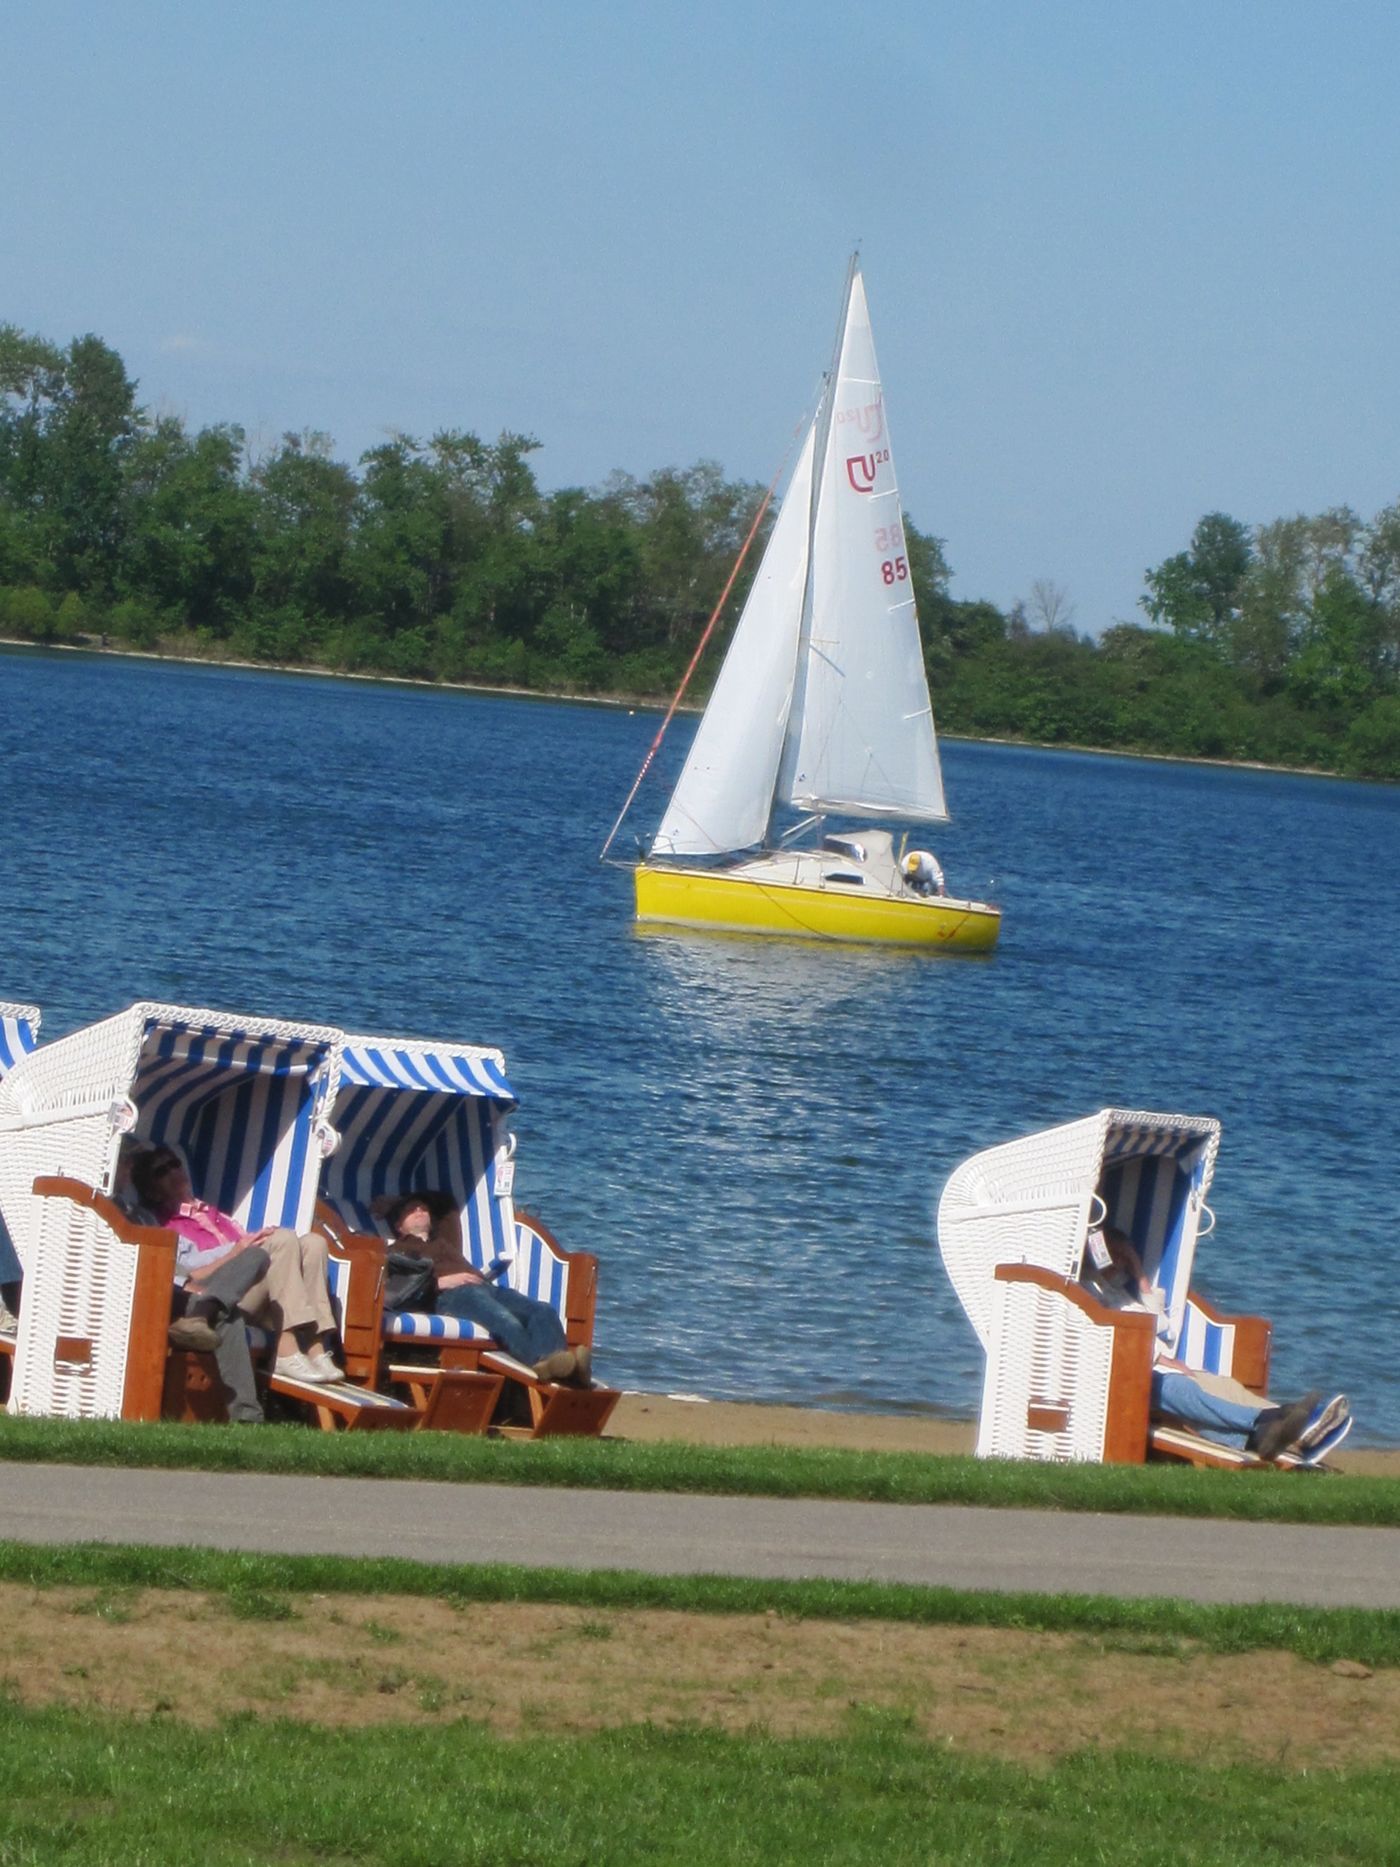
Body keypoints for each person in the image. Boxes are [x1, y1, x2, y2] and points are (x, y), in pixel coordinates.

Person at [1082, 1219, 1351, 1463]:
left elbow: (1162, 1327)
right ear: (1098, 1255)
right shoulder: (1087, 1292)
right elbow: (1110, 1334)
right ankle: (1287, 1422)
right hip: (1140, 1376)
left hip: (1167, 1370)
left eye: (1123, 1257)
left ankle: (1271, 1437)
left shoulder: (1119, 1293)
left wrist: (1139, 1274)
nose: (1117, 1263)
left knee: (1225, 1388)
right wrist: (1159, 1358)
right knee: (1180, 1390)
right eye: (1113, 1255)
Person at [131, 1146, 344, 1388]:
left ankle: (316, 1349)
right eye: (161, 1171)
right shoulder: (166, 1227)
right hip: (225, 1299)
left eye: (174, 1164)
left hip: (264, 1295)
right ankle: (285, 1352)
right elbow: (193, 1278)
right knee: (282, 1240)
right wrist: (239, 1250)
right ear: (152, 1191)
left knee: (313, 1243)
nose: (173, 1171)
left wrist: (259, 1241)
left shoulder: (214, 1215)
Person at [113, 1138, 270, 1422]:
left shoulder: (139, 1214)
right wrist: (183, 1284)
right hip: (152, 1292)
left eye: (176, 1164)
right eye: (125, 1162)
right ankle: (248, 1417)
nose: (127, 1168)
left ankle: (202, 1313)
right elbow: (139, 1263)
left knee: (255, 1259)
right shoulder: (110, 1212)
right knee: (228, 1312)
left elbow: (185, 1265)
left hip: (186, 1288)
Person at [383, 1191, 591, 1387]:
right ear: (398, 1226)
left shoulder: (445, 1239)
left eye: (423, 1209)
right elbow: (398, 1290)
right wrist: (440, 1283)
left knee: (543, 1311)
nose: (419, 1211)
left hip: (486, 1287)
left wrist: (405, 1199)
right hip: (451, 1296)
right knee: (505, 1320)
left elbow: (446, 1202)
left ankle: (562, 1369)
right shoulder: (397, 1251)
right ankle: (552, 1367)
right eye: (410, 1210)